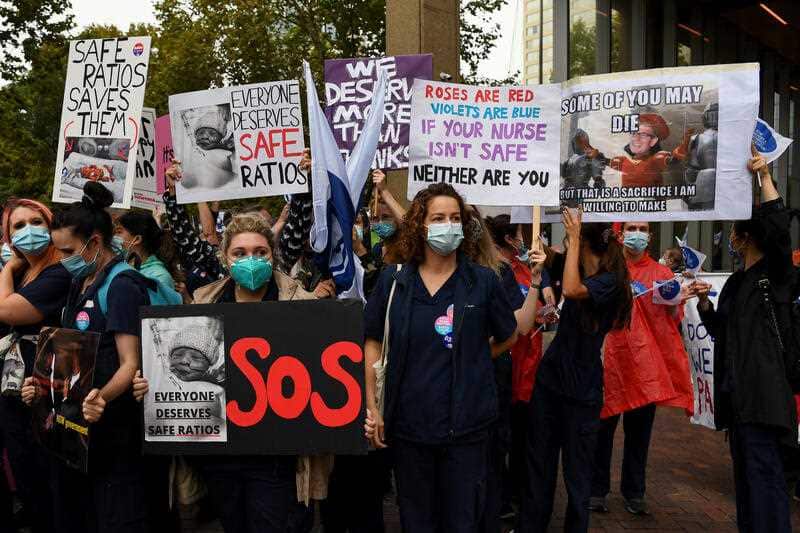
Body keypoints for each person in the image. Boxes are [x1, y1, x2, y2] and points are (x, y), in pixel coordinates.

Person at [133, 213, 335, 532]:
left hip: (278, 458)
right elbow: (180, 370)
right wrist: (152, 384)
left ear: (273, 255)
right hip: (221, 456)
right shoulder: (202, 303)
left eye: (260, 252)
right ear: (225, 259)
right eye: (240, 253)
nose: (250, 260)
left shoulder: (303, 306)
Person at [363, 183, 518, 531]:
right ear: (420, 224)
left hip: (466, 433)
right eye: (438, 218)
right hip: (408, 430)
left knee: (461, 522)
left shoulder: (482, 281)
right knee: (416, 521)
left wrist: (474, 355)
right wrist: (373, 404)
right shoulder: (394, 280)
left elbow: (508, 336)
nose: (448, 225)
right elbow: (372, 339)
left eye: (454, 218)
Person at [29, 182, 158, 532]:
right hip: (78, 435)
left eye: (68, 250)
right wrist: (40, 383)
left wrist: (103, 395)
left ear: (95, 243)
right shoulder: (80, 282)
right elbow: (66, 349)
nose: (63, 259)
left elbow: (130, 363)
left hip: (114, 433)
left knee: (117, 516)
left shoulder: (122, 286)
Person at [691, 147, 795, 533]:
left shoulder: (777, 276)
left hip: (766, 401)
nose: (728, 239)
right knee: (748, 491)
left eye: (733, 233)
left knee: (767, 487)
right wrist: (703, 304)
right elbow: (721, 332)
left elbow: (780, 229)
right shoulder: (736, 283)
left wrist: (765, 178)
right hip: (739, 405)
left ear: (744, 236)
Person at [519, 209, 632, 533]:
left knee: (577, 476)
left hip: (582, 392)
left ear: (584, 243)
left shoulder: (609, 280)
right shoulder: (575, 265)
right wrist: (532, 217)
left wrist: (574, 237)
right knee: (538, 465)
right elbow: (541, 247)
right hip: (551, 384)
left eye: (573, 243)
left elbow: (571, 290)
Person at [590, 221, 693, 515]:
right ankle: (597, 490)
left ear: (650, 234)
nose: (638, 233)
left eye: (643, 228)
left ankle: (634, 492)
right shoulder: (608, 269)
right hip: (610, 363)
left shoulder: (661, 274)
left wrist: (676, 303)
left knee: (639, 434)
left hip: (645, 366)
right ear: (621, 233)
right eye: (632, 227)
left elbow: (670, 320)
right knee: (603, 428)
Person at [0, 197, 71, 533]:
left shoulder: (59, 272)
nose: (28, 231)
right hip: (17, 383)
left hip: (48, 386)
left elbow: (8, 311)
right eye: (18, 226)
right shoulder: (29, 273)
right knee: (25, 470)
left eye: (36, 222)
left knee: (48, 477)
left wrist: (7, 270)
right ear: (9, 236)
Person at [485, 214, 558, 514]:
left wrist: (548, 308)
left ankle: (514, 493)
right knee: (502, 433)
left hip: (529, 361)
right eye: (519, 234)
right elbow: (512, 321)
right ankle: (501, 497)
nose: (524, 241)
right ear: (508, 239)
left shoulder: (533, 269)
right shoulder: (498, 273)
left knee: (521, 434)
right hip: (505, 362)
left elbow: (546, 298)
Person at [586, 113, 691, 187]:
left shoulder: (656, 160)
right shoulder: (622, 161)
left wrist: (685, 143)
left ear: (653, 141)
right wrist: (595, 154)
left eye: (643, 135)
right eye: (634, 133)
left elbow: (674, 160)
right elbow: (605, 161)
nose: (636, 138)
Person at [115, 210, 183, 289]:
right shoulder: (124, 267)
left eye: (119, 232)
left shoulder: (159, 277)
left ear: (137, 239)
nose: (114, 237)